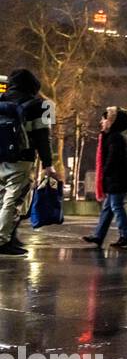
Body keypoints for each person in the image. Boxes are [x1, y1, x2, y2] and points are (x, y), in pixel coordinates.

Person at [0, 68, 57, 257]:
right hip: (21, 159)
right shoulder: (40, 105)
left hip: (1, 158)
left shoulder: (2, 100)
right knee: (13, 200)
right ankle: (2, 240)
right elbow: (43, 137)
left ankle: (8, 236)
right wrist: (49, 164)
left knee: (2, 200)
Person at [82, 106, 127, 249]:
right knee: (108, 208)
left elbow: (113, 159)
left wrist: (104, 173)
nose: (102, 121)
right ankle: (98, 236)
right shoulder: (113, 136)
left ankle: (126, 237)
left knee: (116, 206)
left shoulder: (115, 137)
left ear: (112, 122)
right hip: (116, 179)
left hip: (117, 179)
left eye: (105, 118)